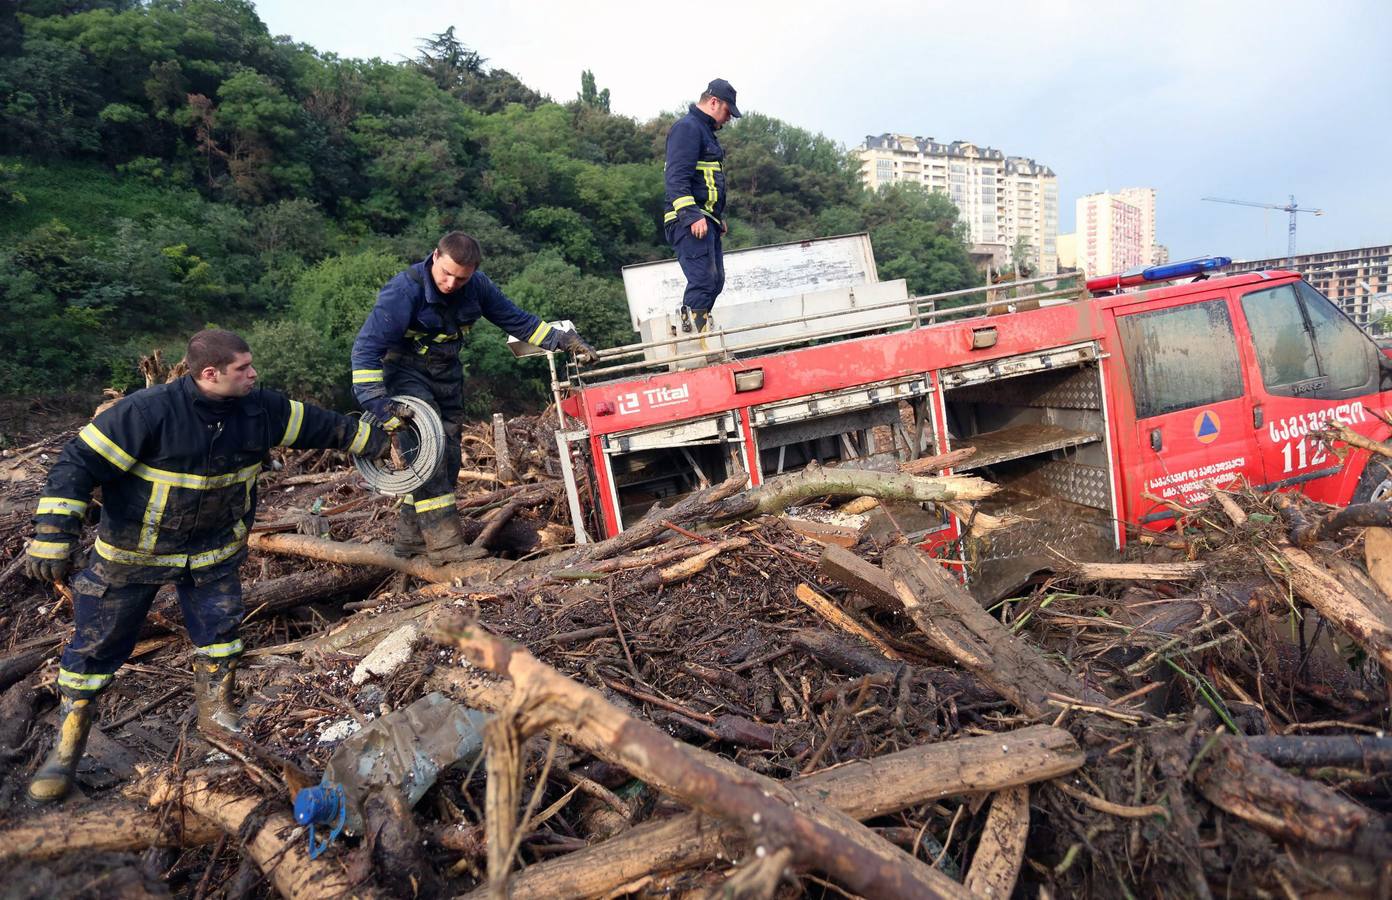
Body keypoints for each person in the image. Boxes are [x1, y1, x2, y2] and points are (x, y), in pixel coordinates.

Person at [22, 329, 392, 802]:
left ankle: (217, 723)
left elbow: (326, 426)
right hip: (132, 558)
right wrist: (52, 539)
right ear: (210, 374)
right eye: (244, 369)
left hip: (214, 556)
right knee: (93, 654)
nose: (254, 374)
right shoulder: (145, 413)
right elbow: (75, 464)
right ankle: (66, 750)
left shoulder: (263, 409)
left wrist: (378, 439)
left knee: (220, 639)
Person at [351, 231, 599, 564]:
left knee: (448, 457)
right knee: (430, 457)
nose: (452, 283)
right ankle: (445, 547)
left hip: (447, 375)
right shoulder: (403, 290)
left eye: (461, 277)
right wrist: (377, 403)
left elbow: (516, 320)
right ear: (435, 257)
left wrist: (563, 340)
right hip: (406, 374)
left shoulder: (477, 287)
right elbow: (365, 350)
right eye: (446, 274)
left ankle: (410, 541)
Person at [664, 77, 741, 334]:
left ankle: (699, 332)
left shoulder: (705, 131)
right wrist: (690, 215)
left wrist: (717, 216)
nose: (728, 118)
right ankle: (695, 340)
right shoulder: (688, 128)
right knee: (703, 281)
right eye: (728, 112)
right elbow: (676, 177)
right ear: (714, 102)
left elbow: (706, 181)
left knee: (715, 281)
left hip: (706, 218)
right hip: (688, 220)